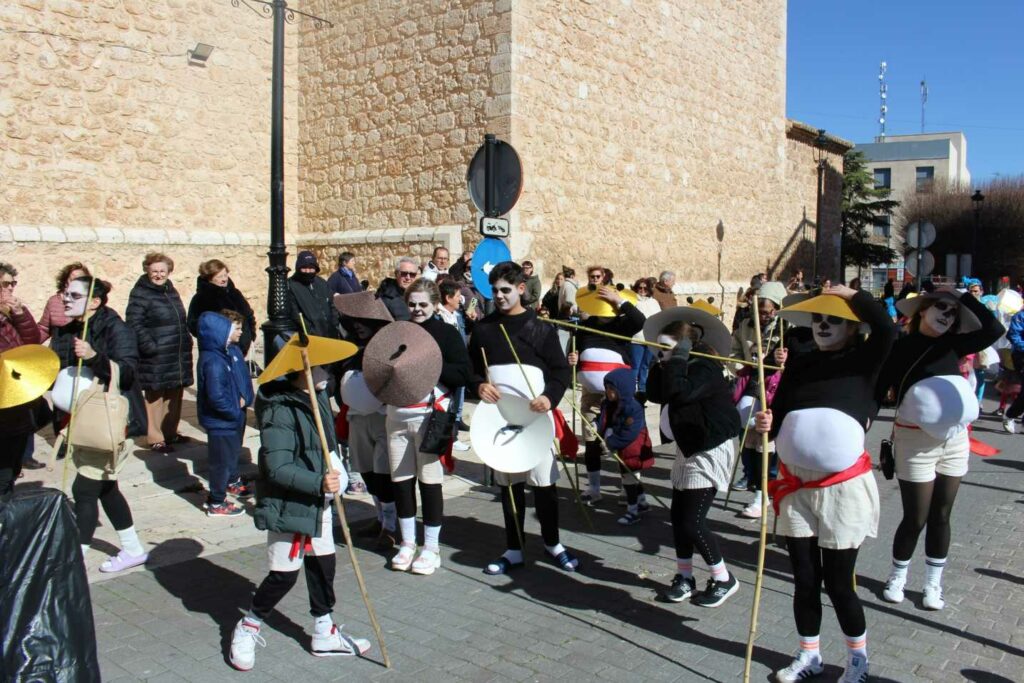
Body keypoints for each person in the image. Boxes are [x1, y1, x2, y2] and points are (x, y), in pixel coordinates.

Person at [754, 284, 896, 683]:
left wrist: (853, 294)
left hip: (841, 488)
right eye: (818, 318)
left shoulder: (866, 359)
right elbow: (779, 414)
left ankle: (857, 661)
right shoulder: (800, 361)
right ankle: (809, 654)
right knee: (804, 578)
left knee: (838, 582)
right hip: (795, 486)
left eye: (834, 320)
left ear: (853, 327)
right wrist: (768, 425)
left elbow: (887, 329)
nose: (823, 325)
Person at [228, 371, 371, 671]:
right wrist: (319, 482)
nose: (326, 374)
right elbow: (277, 467)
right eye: (320, 368)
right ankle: (249, 625)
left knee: (323, 565)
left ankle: (324, 629)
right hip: (291, 503)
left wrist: (336, 475)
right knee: (284, 574)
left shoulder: (317, 396)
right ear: (299, 371)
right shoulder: (279, 407)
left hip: (320, 502)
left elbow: (326, 445)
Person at [879, 287, 1003, 611]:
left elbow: (994, 329)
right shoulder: (900, 347)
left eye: (952, 312)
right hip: (914, 442)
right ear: (922, 310)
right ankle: (897, 576)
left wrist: (964, 296)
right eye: (940, 308)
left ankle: (933, 584)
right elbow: (879, 388)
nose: (946, 315)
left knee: (942, 515)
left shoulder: (954, 344)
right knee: (915, 517)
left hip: (955, 440)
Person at [469, 261, 579, 575]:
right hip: (502, 422)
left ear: (521, 289)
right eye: (495, 291)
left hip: (535, 421)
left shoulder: (541, 329)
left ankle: (552, 543)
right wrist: (478, 385)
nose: (500, 296)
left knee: (545, 485)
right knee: (510, 487)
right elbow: (471, 370)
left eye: (506, 290)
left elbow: (559, 371)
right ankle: (514, 548)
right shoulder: (484, 329)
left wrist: (550, 397)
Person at [51, 276, 148, 573]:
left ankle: (74, 560)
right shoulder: (68, 327)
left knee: (84, 489)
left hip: (108, 422)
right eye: (65, 294)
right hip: (81, 421)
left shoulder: (116, 328)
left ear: (94, 302)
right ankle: (133, 549)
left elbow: (128, 373)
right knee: (107, 488)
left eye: (74, 295)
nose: (66, 299)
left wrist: (94, 357)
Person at [647, 313, 741, 607]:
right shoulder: (673, 366)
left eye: (666, 347)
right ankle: (685, 577)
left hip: (708, 449)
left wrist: (676, 359)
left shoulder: (705, 368)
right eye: (657, 347)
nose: (660, 352)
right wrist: (658, 362)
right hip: (688, 447)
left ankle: (724, 578)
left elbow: (678, 392)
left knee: (693, 520)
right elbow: (656, 393)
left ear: (684, 348)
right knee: (678, 518)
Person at [386, 279, 470, 575]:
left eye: (423, 304)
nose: (417, 309)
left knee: (429, 480)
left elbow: (463, 373)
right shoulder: (397, 331)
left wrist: (429, 365)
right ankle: (408, 542)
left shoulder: (446, 333)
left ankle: (431, 547)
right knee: (402, 480)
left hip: (429, 415)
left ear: (435, 304)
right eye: (412, 304)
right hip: (397, 415)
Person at [567, 266, 645, 504]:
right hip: (591, 396)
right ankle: (594, 488)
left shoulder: (623, 325)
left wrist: (619, 301)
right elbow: (572, 354)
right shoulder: (584, 328)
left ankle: (629, 490)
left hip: (620, 397)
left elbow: (640, 320)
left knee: (624, 441)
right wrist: (572, 360)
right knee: (591, 443)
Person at [335, 292, 397, 547]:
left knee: (383, 474)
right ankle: (379, 518)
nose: (358, 325)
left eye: (363, 321)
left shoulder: (388, 349)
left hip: (381, 418)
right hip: (356, 419)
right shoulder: (350, 348)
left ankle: (391, 526)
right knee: (367, 472)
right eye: (354, 321)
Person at [125, 252, 194, 453]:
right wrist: (150, 346)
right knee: (155, 396)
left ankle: (170, 432)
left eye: (162, 271)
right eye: (154, 271)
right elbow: (134, 323)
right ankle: (155, 437)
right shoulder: (141, 293)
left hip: (176, 351)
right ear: (147, 270)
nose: (158, 274)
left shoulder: (170, 290)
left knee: (174, 393)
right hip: (156, 353)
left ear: (169, 271)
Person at [729, 281, 787, 517]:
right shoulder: (745, 325)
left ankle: (764, 494)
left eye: (768, 311)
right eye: (760, 311)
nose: (764, 316)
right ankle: (754, 484)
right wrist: (742, 364)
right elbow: (733, 352)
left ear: (778, 308)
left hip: (779, 389)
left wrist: (784, 359)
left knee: (769, 443)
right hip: (752, 384)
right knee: (746, 434)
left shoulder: (789, 327)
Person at [197, 311, 255, 517]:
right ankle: (216, 501)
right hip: (222, 421)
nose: (240, 332)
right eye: (235, 329)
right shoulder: (214, 362)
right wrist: (232, 411)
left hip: (231, 418)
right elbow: (216, 396)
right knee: (221, 462)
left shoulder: (227, 354)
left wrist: (246, 400)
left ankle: (226, 487)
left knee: (229, 456)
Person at [0, 261, 45, 487]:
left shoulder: (10, 316)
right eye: (5, 285)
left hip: (18, 400)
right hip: (3, 403)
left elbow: (33, 344)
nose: (10, 289)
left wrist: (20, 314)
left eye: (12, 284)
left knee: (11, 466)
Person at [597, 368, 654, 526]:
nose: (608, 392)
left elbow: (629, 433)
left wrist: (610, 443)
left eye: (611, 389)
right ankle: (642, 503)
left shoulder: (633, 407)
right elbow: (605, 418)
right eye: (606, 388)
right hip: (623, 448)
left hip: (633, 448)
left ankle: (632, 511)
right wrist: (598, 425)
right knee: (631, 477)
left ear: (622, 389)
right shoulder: (611, 404)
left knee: (629, 479)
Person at [187, 259, 258, 355]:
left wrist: (250, 336)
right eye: (219, 276)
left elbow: (249, 315)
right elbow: (194, 325)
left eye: (225, 275)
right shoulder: (201, 298)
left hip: (241, 351)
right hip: (218, 352)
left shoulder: (235, 293)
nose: (224, 279)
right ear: (210, 278)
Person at [437, 279, 471, 451]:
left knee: (458, 403)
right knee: (448, 405)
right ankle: (450, 437)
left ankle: (454, 433)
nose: (460, 299)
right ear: (448, 298)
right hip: (447, 367)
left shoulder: (457, 316)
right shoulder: (438, 317)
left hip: (459, 365)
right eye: (457, 296)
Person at [287, 251, 339, 339]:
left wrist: (334, 324)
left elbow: (332, 305)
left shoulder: (321, 283)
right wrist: (310, 331)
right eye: (304, 268)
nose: (308, 271)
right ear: (298, 268)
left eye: (311, 268)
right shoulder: (291, 285)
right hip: (310, 337)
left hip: (330, 334)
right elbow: (294, 314)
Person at [37, 262, 89, 342]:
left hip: (80, 349)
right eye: (73, 279)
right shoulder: (53, 301)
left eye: (81, 279)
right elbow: (44, 328)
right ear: (65, 282)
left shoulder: (89, 302)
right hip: (58, 350)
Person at [630, 278, 660, 401]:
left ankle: (642, 390)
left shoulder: (654, 302)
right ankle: (631, 390)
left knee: (645, 365)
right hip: (636, 338)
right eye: (640, 288)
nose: (642, 290)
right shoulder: (633, 301)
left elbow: (658, 318)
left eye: (645, 288)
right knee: (635, 365)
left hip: (650, 338)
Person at [376, 256, 418, 322]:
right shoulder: (384, 300)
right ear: (396, 274)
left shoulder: (420, 296)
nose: (408, 278)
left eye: (412, 274)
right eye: (404, 273)